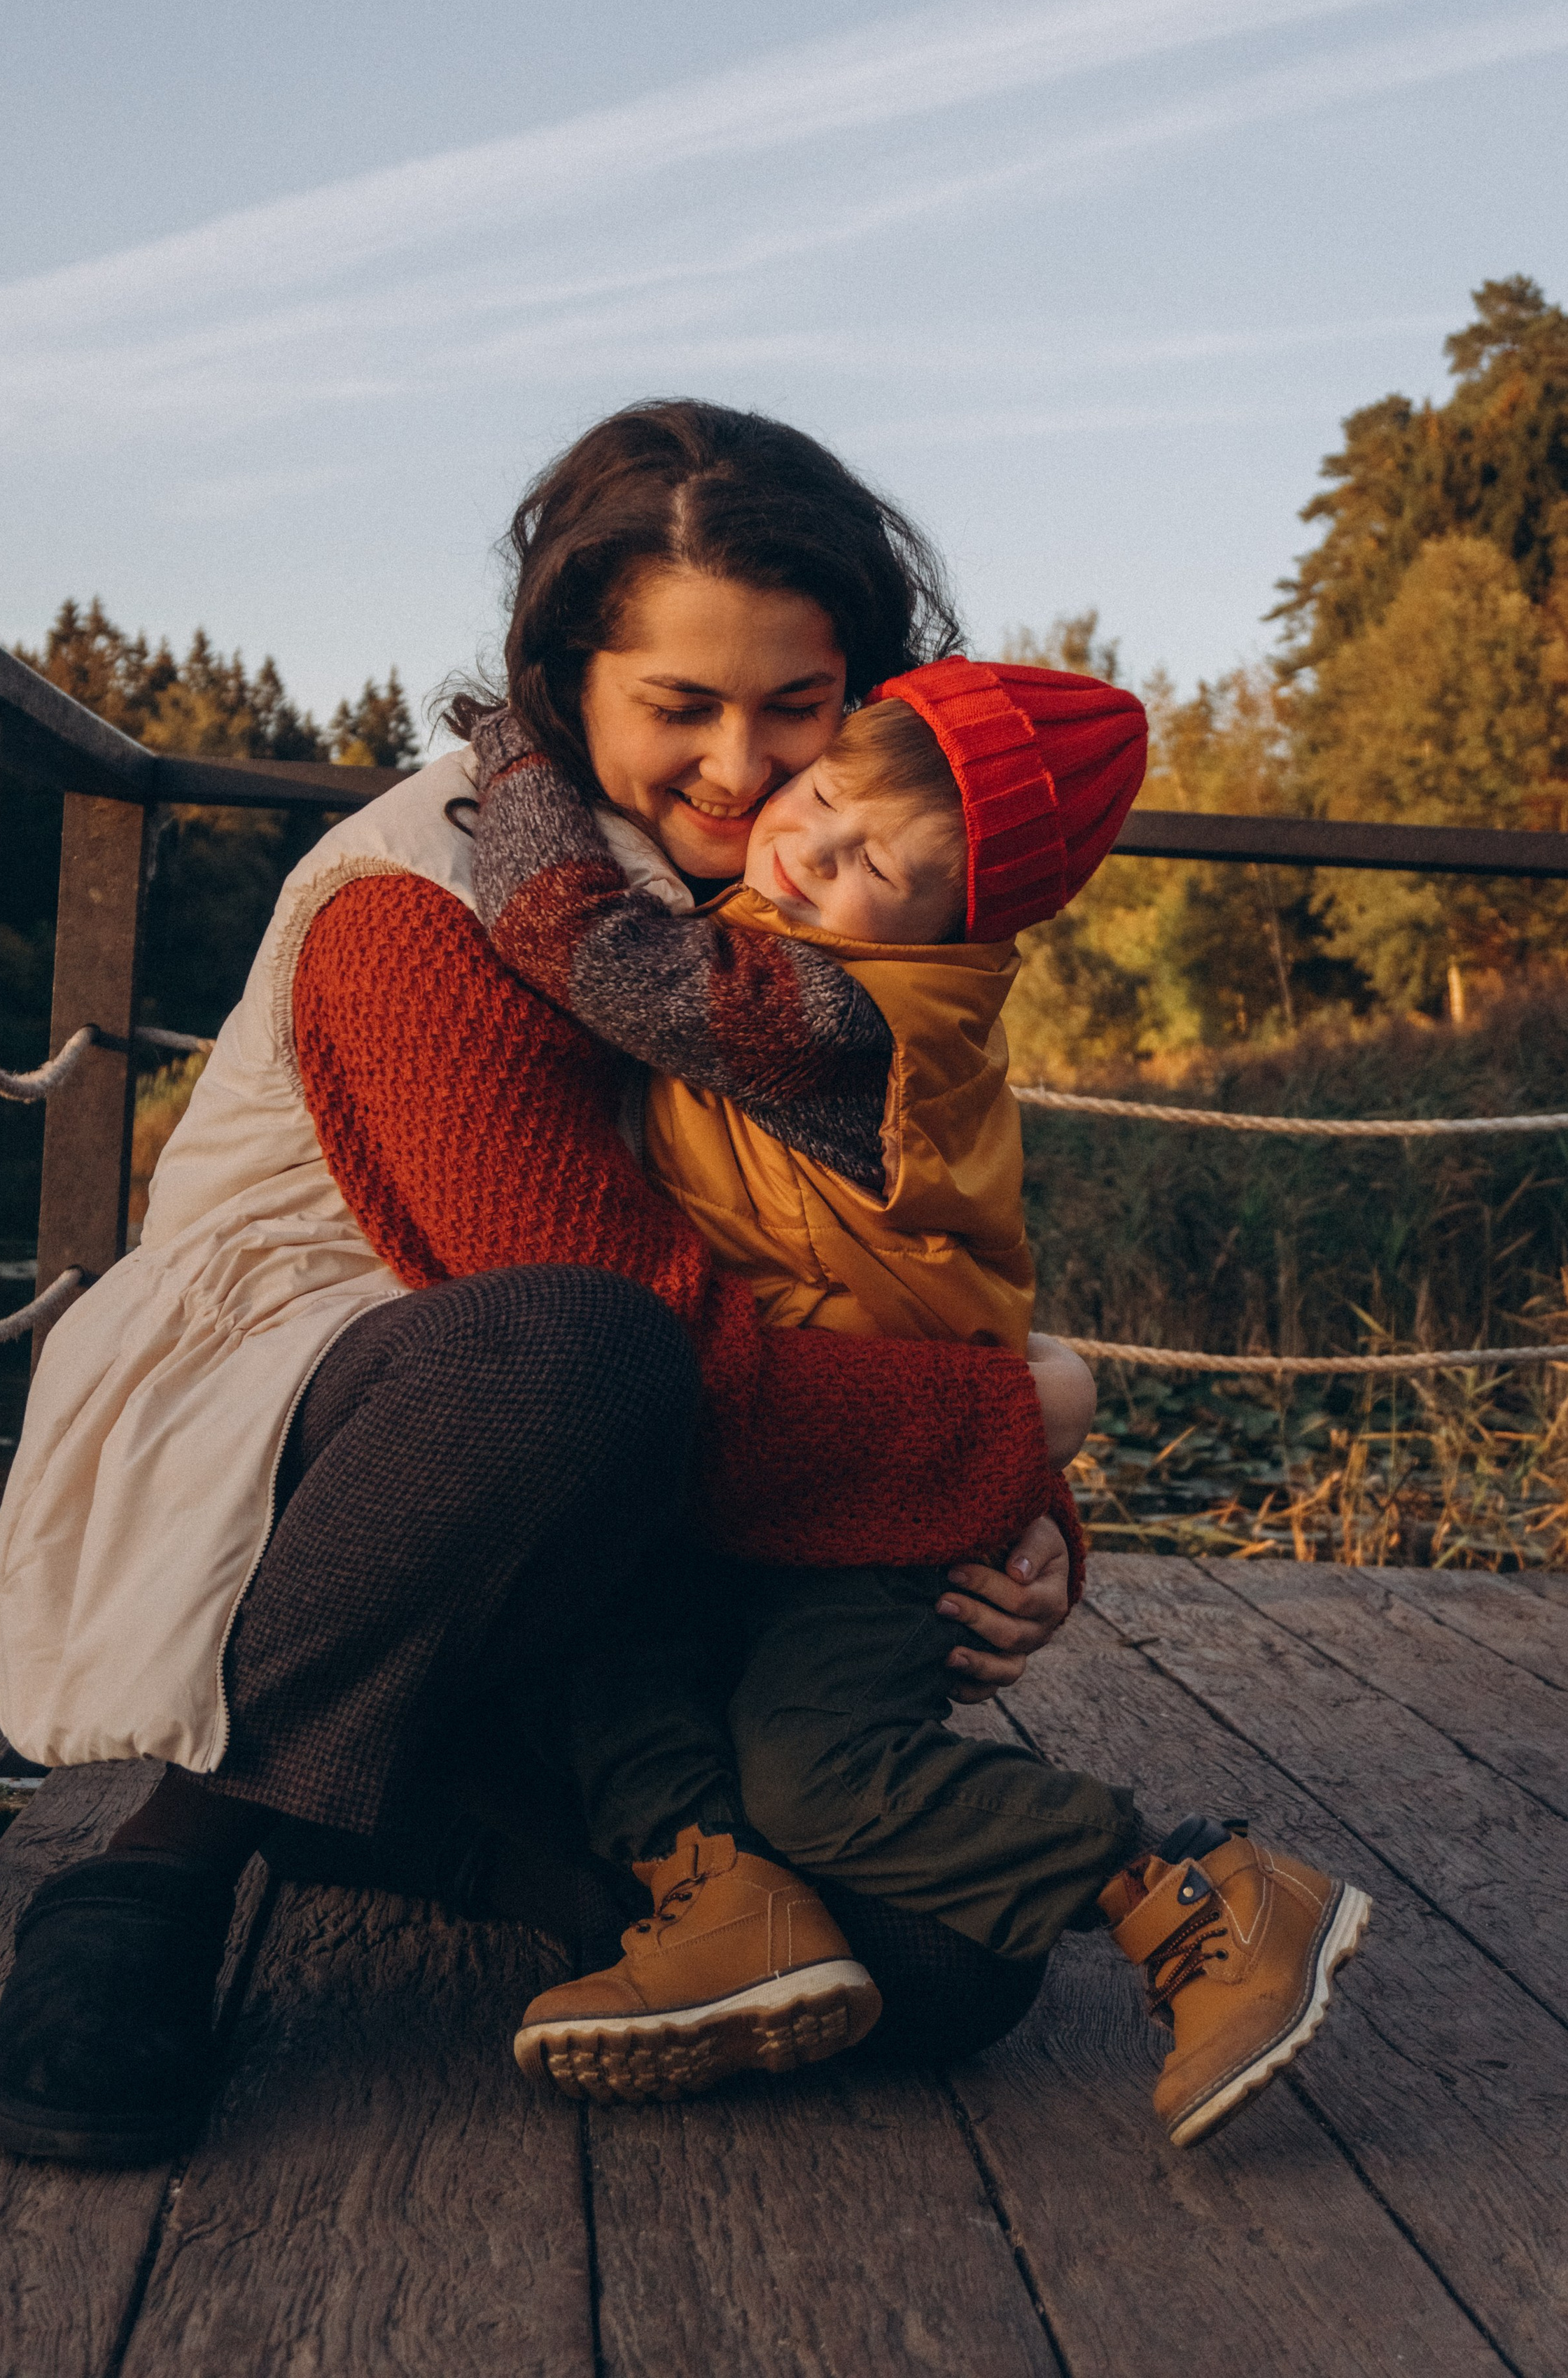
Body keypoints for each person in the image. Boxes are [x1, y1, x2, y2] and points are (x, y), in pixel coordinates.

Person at [0, 400, 1086, 2168]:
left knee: (952, 1972)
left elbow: (887, 1270)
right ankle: (167, 1865)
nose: (738, 768)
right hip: (348, 1432)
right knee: (570, 1356)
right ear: (566, 679)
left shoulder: (827, 928)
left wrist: (1014, 1524)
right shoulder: (431, 895)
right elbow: (664, 1368)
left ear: (866, 696)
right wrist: (1004, 1428)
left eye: (793, 705)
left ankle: (443, 1826)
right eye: (678, 707)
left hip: (632, 1501)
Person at [470, 657, 1371, 2143]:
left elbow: (575, 942)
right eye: (817, 802)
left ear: (958, 921)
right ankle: (712, 1901)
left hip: (868, 1484)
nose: (803, 854)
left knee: (822, 1780)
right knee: (611, 1647)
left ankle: (1180, 1889)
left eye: (868, 862)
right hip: (786, 1456)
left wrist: (522, 743)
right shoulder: (802, 950)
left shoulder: (834, 1015)